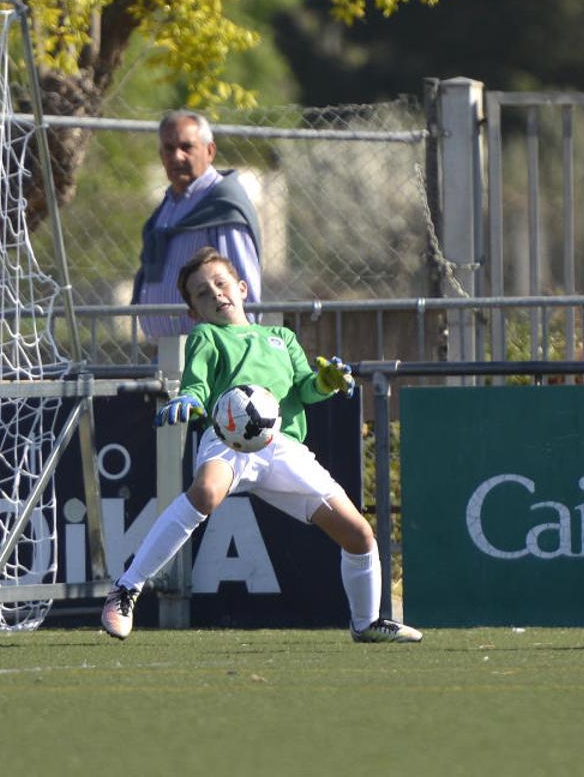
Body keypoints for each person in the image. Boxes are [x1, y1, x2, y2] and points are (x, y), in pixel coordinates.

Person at [103, 246, 422, 644]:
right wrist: (189, 398)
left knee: (359, 535)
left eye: (221, 284)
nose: (215, 294)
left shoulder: (280, 337)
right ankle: (127, 588)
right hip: (228, 441)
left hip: (283, 446)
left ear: (242, 288)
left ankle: (366, 622)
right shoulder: (207, 336)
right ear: (193, 313)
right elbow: (198, 382)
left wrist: (325, 383)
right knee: (205, 492)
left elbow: (305, 388)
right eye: (202, 293)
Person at [132, 110, 262, 338]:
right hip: (169, 354)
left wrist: (238, 353)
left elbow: (245, 297)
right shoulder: (169, 205)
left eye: (186, 147)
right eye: (169, 149)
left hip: (213, 357)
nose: (177, 157)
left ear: (210, 151)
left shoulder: (221, 204)